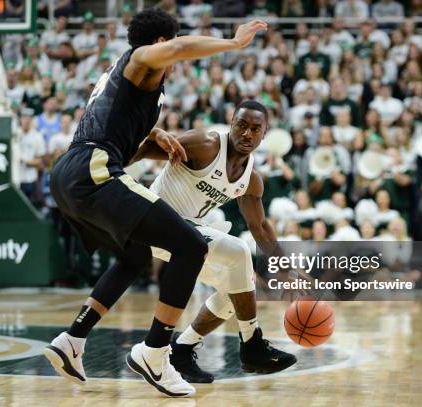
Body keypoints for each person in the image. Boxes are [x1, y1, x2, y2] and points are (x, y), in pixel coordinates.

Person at [44, 8, 266, 397]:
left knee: (133, 256)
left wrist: (151, 137)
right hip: (91, 170)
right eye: (171, 50)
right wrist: (235, 42)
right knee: (191, 245)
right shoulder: (141, 57)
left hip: (73, 173)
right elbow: (179, 48)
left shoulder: (134, 84)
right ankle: (156, 351)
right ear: (161, 43)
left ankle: (72, 340)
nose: (175, 63)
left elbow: (120, 139)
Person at [131, 101, 296, 383]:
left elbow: (259, 226)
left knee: (238, 290)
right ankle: (252, 343)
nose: (247, 134)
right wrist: (107, 171)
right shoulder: (206, 144)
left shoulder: (250, 180)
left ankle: (181, 349)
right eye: (242, 125)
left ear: (264, 135)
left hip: (188, 236)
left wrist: (283, 267)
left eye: (255, 129)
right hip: (156, 221)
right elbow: (146, 147)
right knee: (238, 252)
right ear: (231, 124)